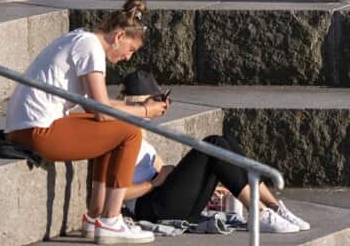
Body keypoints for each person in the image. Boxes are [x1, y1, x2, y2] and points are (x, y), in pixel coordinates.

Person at [4, 0, 161, 244]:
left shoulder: (82, 38)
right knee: (130, 131)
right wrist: (144, 111)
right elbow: (102, 110)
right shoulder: (91, 48)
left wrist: (139, 107)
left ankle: (96, 216)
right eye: (131, 50)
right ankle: (111, 218)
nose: (128, 58)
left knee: (113, 128)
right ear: (119, 36)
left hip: (25, 127)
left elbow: (96, 107)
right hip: (37, 130)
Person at [116, 72, 310, 234]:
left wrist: (200, 181)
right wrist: (154, 183)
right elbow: (117, 192)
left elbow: (163, 171)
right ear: (139, 103)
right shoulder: (120, 136)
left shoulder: (140, 135)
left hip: (169, 201)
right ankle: (259, 214)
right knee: (213, 144)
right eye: (156, 101)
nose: (160, 107)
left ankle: (272, 207)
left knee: (225, 142)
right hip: (151, 209)